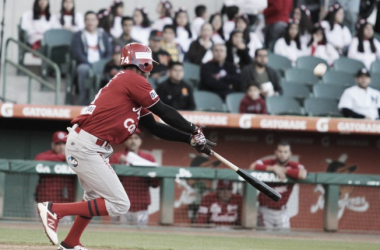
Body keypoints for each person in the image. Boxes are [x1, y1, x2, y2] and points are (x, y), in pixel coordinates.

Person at [37, 42, 216, 249]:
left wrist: (190, 140)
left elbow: (156, 127)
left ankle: (70, 243)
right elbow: (164, 111)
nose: (151, 70)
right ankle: (55, 210)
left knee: (94, 198)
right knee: (120, 204)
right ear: (144, 63)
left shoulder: (127, 85)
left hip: (88, 145)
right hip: (87, 146)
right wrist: (194, 129)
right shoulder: (132, 79)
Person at [249, 141, 307, 230]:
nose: (282, 154)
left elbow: (303, 174)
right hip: (265, 210)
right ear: (275, 152)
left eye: (285, 152)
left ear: (290, 154)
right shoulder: (270, 163)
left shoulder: (293, 165)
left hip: (282, 211)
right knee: (264, 239)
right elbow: (252, 166)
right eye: (280, 151)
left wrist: (284, 170)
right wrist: (273, 168)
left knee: (285, 238)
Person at [109, 129, 159, 225]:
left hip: (141, 205)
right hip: (120, 205)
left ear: (140, 141)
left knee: (141, 236)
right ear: (125, 141)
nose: (133, 141)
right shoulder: (116, 157)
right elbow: (109, 182)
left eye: (136, 138)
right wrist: (119, 164)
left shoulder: (149, 158)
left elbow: (155, 184)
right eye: (130, 138)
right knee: (118, 235)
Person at [70, 11, 112, 105]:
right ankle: (83, 102)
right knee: (83, 69)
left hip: (101, 65)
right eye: (87, 20)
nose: (90, 22)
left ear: (97, 22)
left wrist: (101, 64)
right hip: (85, 64)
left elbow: (109, 52)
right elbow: (77, 54)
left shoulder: (103, 35)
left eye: (93, 20)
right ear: (84, 22)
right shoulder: (78, 35)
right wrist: (91, 65)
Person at [34, 131, 76, 225]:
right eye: (58, 144)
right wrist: (62, 157)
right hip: (45, 202)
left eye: (64, 143)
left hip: (66, 205)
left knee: (65, 232)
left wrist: (67, 157)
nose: (61, 146)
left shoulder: (73, 157)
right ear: (52, 145)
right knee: (41, 229)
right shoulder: (45, 156)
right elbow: (38, 159)